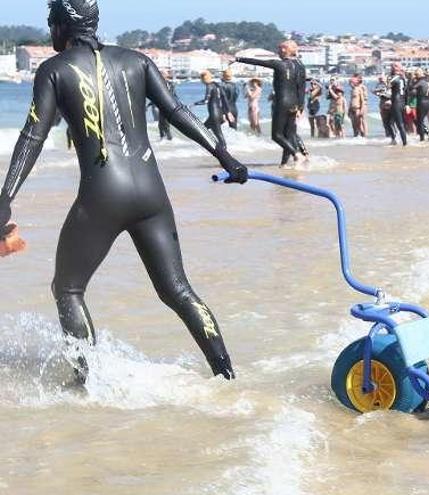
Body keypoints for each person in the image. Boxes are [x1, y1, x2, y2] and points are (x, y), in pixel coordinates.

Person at [0, 0, 248, 381]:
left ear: (64, 24)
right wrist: (223, 154)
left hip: (103, 196)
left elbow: (34, 133)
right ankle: (227, 376)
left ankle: (84, 384)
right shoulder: (137, 60)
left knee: (67, 289)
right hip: (151, 194)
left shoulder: (53, 70)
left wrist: (5, 197)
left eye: (52, 22)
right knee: (178, 291)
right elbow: (177, 111)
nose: (50, 30)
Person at [235, 40, 308, 165]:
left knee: (277, 136)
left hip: (282, 103)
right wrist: (301, 106)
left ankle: (296, 155)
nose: (278, 52)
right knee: (289, 135)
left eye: (279, 49)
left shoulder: (279, 64)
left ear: (285, 50)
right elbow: (301, 87)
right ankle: (284, 164)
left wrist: (238, 59)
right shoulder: (300, 65)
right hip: (294, 104)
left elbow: (259, 62)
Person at [194, 71, 233, 148]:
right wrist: (227, 112)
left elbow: (206, 101)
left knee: (217, 136)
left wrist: (194, 104)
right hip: (220, 114)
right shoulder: (217, 85)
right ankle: (214, 148)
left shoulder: (209, 86)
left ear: (204, 78)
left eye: (201, 79)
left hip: (214, 116)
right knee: (203, 130)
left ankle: (223, 152)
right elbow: (224, 99)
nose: (201, 81)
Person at [388, 63, 408, 146]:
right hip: (402, 101)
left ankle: (404, 143)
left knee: (399, 124)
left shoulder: (394, 78)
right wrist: (407, 104)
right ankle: (395, 140)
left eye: (393, 66)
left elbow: (387, 87)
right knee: (391, 123)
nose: (392, 68)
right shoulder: (403, 78)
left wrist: (378, 93)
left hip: (396, 102)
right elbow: (406, 91)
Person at [412, 68, 429, 142]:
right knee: (419, 121)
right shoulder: (428, 81)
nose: (415, 76)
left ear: (421, 74)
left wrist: (412, 81)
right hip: (427, 101)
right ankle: (428, 135)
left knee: (419, 121)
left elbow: (412, 89)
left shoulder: (421, 81)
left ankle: (422, 139)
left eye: (416, 74)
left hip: (422, 102)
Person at [373, 74, 394, 142]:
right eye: (380, 79)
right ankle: (388, 136)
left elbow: (390, 95)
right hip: (382, 105)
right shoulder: (380, 86)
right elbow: (374, 91)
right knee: (385, 122)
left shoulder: (390, 85)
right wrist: (379, 88)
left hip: (390, 105)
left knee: (391, 122)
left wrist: (382, 93)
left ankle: (393, 136)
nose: (381, 80)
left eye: (382, 79)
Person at [348, 74, 367, 138]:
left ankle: (363, 136)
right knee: (353, 125)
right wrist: (349, 110)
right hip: (352, 109)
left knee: (359, 124)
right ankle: (355, 136)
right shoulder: (352, 90)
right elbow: (351, 101)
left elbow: (362, 100)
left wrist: (362, 109)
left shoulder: (359, 89)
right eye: (350, 83)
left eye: (351, 82)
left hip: (357, 109)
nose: (350, 84)